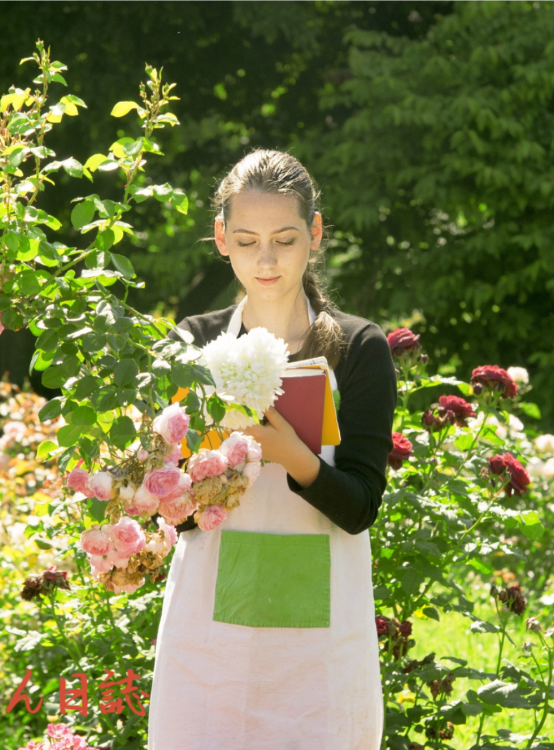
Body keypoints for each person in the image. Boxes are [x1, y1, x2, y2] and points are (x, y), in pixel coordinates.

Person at [146, 149, 397, 750]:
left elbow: (360, 506)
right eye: (247, 239)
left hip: (320, 648)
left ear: (313, 234)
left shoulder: (359, 347)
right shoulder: (193, 343)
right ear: (220, 238)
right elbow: (168, 504)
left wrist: (288, 453)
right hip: (212, 636)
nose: (265, 259)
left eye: (284, 239)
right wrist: (184, 480)